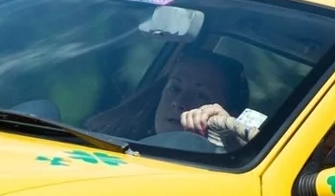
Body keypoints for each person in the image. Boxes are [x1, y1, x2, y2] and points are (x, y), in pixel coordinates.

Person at [84, 48, 250, 144]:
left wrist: (231, 140)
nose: (179, 102)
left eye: (201, 95)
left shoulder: (235, 171)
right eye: (175, 88)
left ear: (229, 115)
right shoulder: (108, 143)